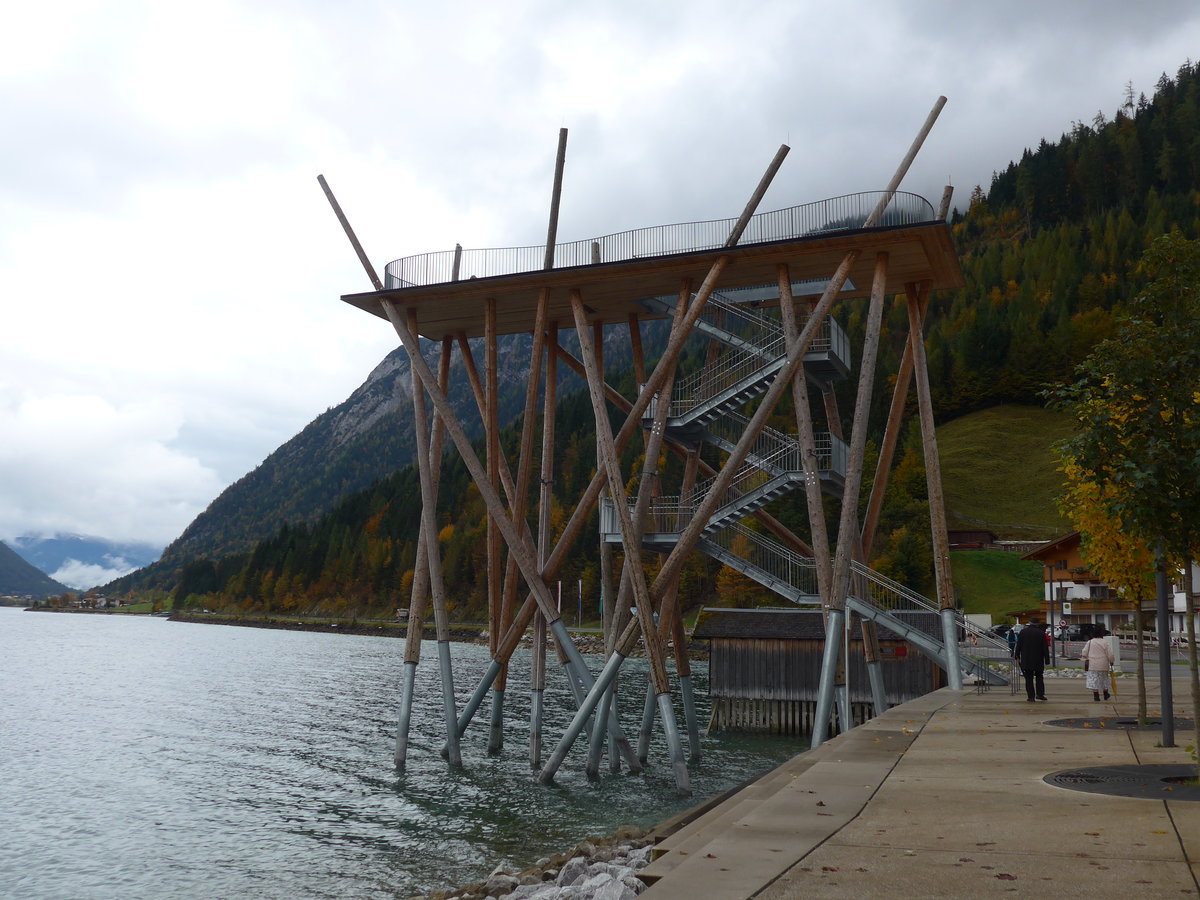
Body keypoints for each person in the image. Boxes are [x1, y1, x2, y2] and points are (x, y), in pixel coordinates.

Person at [1015, 619, 1050, 702]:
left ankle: (1031, 696)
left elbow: (1018, 645)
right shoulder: (1041, 633)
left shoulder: (1023, 632)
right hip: (1038, 659)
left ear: (1030, 623)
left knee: (1028, 678)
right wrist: (1047, 660)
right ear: (1037, 624)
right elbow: (1045, 647)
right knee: (1039, 677)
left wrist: (1017, 656)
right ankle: (1040, 694)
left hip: (1026, 659)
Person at [1079, 628, 1116, 701]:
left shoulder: (1090, 642)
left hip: (1092, 665)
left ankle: (1096, 696)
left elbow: (1084, 652)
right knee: (1104, 679)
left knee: (1094, 679)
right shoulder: (1105, 642)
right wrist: (1111, 661)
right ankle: (1106, 694)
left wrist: (1084, 658)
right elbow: (1110, 654)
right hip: (1103, 664)